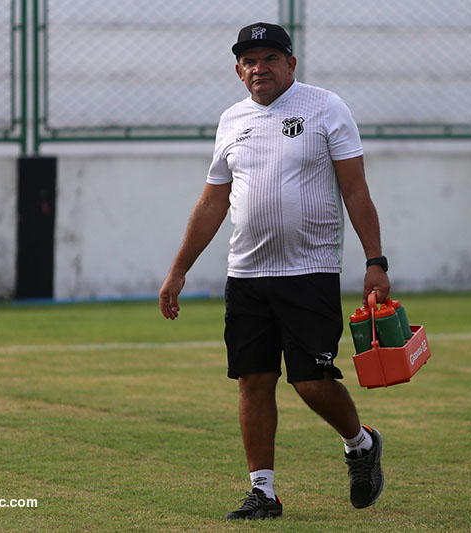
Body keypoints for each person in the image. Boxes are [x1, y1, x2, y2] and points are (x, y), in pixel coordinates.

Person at [158, 21, 390, 520]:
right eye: (249, 61)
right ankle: (262, 491)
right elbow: (212, 202)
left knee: (311, 382)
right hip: (246, 276)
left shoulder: (326, 107)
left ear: (291, 64)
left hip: (310, 271)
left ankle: (361, 443)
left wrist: (375, 261)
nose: (259, 68)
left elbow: (356, 190)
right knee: (253, 380)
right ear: (239, 70)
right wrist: (178, 271)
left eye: (269, 58)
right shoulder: (231, 120)